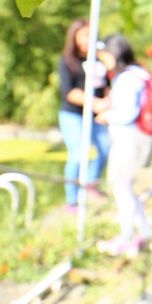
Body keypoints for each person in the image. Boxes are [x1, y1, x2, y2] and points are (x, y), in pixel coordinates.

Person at [95, 34, 152, 257]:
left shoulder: (128, 78)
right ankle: (144, 232)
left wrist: (107, 116)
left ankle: (127, 237)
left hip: (128, 140)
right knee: (126, 187)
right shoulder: (138, 75)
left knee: (121, 188)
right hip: (136, 138)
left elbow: (128, 113)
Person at [58, 19, 111, 212]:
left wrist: (105, 104)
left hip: (96, 115)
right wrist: (94, 103)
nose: (89, 39)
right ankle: (71, 201)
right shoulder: (67, 61)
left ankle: (91, 185)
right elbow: (69, 92)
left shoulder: (98, 59)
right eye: (85, 35)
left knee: (105, 148)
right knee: (78, 154)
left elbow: (105, 85)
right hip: (73, 114)